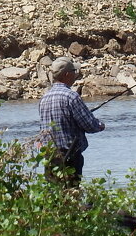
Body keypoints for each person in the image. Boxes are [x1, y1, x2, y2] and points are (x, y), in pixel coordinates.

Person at [38, 56, 105, 185]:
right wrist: (100, 125)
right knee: (72, 193)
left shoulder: (44, 98)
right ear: (67, 74)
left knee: (54, 194)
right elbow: (89, 125)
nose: (76, 74)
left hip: (49, 156)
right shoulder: (71, 97)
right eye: (74, 71)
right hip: (69, 155)